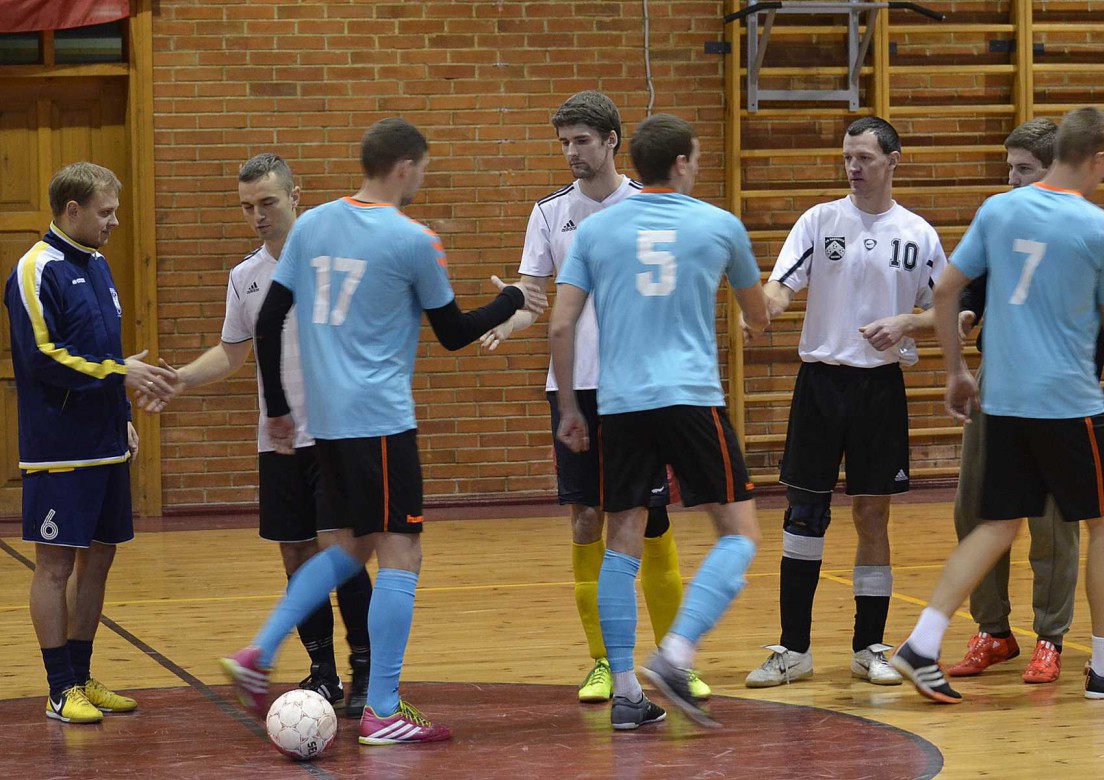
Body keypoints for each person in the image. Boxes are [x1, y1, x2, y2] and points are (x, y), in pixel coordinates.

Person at [220, 118, 546, 745]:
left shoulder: (314, 225)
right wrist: (513, 300)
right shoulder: (414, 240)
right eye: (422, 168)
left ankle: (258, 651)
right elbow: (453, 333)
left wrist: (280, 408)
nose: (422, 178)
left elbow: (270, 320)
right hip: (381, 422)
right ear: (404, 167)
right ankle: (383, 708)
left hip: (327, 424)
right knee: (402, 553)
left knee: (347, 549)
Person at [891, 107, 1104, 703]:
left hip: (1004, 399)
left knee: (996, 524)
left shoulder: (998, 210)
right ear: (1098, 157)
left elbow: (946, 290)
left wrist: (955, 372)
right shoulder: (1101, 228)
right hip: (1068, 402)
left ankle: (921, 641)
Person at [479, 91, 707, 703]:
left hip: (641, 387)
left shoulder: (651, 204)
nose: (571, 152)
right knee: (586, 518)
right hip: (574, 385)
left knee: (649, 519)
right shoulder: (549, 213)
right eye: (564, 143)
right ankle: (604, 661)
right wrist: (508, 319)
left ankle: (674, 659)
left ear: (611, 140)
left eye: (581, 140)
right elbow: (534, 298)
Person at [550, 113, 770, 729]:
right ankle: (676, 652)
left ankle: (625, 692)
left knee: (621, 541)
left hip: (621, 403)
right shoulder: (719, 225)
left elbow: (561, 325)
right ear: (681, 163)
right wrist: (760, 313)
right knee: (739, 534)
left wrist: (570, 408)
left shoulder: (596, 230)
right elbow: (757, 315)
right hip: (690, 396)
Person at [143, 154, 375, 714]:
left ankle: (365, 671)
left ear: (297, 195)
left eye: (267, 202)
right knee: (296, 556)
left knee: (339, 552)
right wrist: (180, 378)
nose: (257, 216)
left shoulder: (334, 262)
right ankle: (322, 672)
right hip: (279, 441)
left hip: (338, 436)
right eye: (247, 207)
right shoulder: (245, 277)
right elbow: (231, 352)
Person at [745, 116, 947, 689]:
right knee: (803, 514)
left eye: (864, 158)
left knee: (872, 515)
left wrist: (907, 322)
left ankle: (869, 647)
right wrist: (765, 306)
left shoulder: (918, 234)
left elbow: (952, 312)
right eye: (847, 158)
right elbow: (782, 284)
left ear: (893, 161)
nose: (853, 168)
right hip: (820, 385)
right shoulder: (820, 220)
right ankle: (793, 649)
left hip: (879, 390)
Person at [5, 162, 177, 723]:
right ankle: (59, 690)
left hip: (106, 443)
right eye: (106, 212)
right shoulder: (35, 269)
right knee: (55, 567)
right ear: (72, 210)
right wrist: (120, 374)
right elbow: (42, 357)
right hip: (59, 450)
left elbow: (103, 353)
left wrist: (121, 414)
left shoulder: (98, 265)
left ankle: (81, 676)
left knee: (98, 563)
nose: (115, 222)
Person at [948, 119, 1083, 685]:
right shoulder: (997, 216)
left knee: (1050, 521)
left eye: (1023, 170)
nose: (1011, 180)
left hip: (1055, 385)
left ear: (1052, 170)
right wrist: (968, 310)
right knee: (976, 509)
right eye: (1009, 168)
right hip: (997, 379)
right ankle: (993, 631)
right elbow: (971, 278)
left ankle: (1050, 637)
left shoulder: (1081, 227)